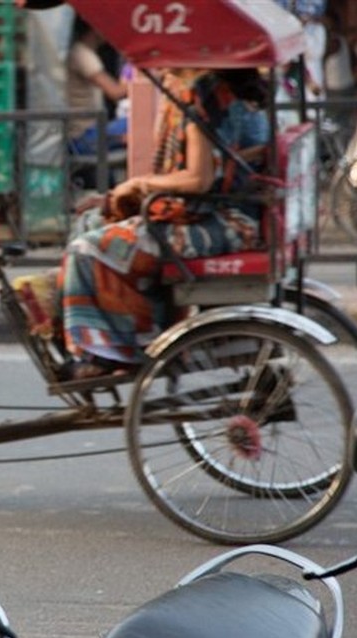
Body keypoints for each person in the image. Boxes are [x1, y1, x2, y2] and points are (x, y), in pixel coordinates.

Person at [58, 69, 270, 378]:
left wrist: (139, 184)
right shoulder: (230, 93)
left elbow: (199, 179)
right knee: (92, 220)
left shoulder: (201, 98)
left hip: (223, 221)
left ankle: (119, 349)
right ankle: (113, 338)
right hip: (229, 210)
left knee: (86, 248)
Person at [65, 16, 129, 156]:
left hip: (88, 133)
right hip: (84, 136)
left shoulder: (82, 52)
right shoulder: (82, 54)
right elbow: (115, 92)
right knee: (138, 123)